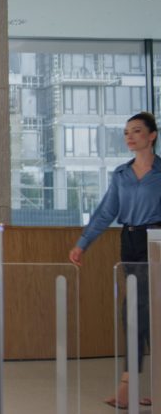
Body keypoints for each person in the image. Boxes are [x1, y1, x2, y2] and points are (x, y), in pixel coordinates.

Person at [68, 111, 161, 409]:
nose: (129, 137)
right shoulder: (121, 174)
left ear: (152, 135)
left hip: (156, 240)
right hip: (130, 242)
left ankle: (129, 386)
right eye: (126, 132)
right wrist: (83, 244)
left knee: (140, 312)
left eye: (136, 131)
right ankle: (140, 386)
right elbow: (105, 212)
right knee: (136, 313)